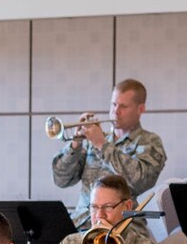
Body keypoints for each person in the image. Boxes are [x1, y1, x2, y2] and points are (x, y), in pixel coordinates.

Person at [51, 78, 167, 217]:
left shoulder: (150, 142)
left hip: (123, 227)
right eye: (113, 104)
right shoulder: (93, 141)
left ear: (140, 109)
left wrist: (102, 145)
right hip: (83, 222)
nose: (116, 111)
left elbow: (141, 182)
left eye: (123, 106)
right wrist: (75, 144)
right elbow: (61, 180)